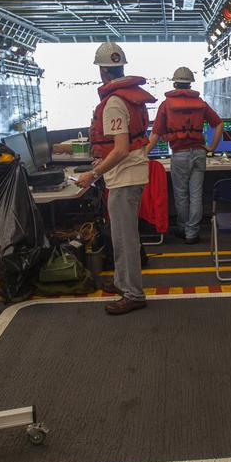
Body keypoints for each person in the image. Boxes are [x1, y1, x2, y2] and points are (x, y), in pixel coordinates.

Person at [76, 41, 156, 315]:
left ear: (102, 72)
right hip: (129, 175)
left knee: (124, 238)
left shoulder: (113, 103)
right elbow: (137, 143)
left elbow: (121, 148)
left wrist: (92, 174)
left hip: (124, 178)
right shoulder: (130, 98)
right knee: (123, 235)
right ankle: (123, 281)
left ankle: (133, 294)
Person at [145, 66, 223, 244]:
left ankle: (183, 228)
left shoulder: (166, 105)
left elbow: (155, 135)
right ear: (190, 85)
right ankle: (192, 233)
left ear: (174, 83)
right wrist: (211, 146)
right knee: (196, 194)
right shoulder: (201, 104)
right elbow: (218, 124)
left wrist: (142, 155)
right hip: (199, 154)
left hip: (179, 154)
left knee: (181, 195)